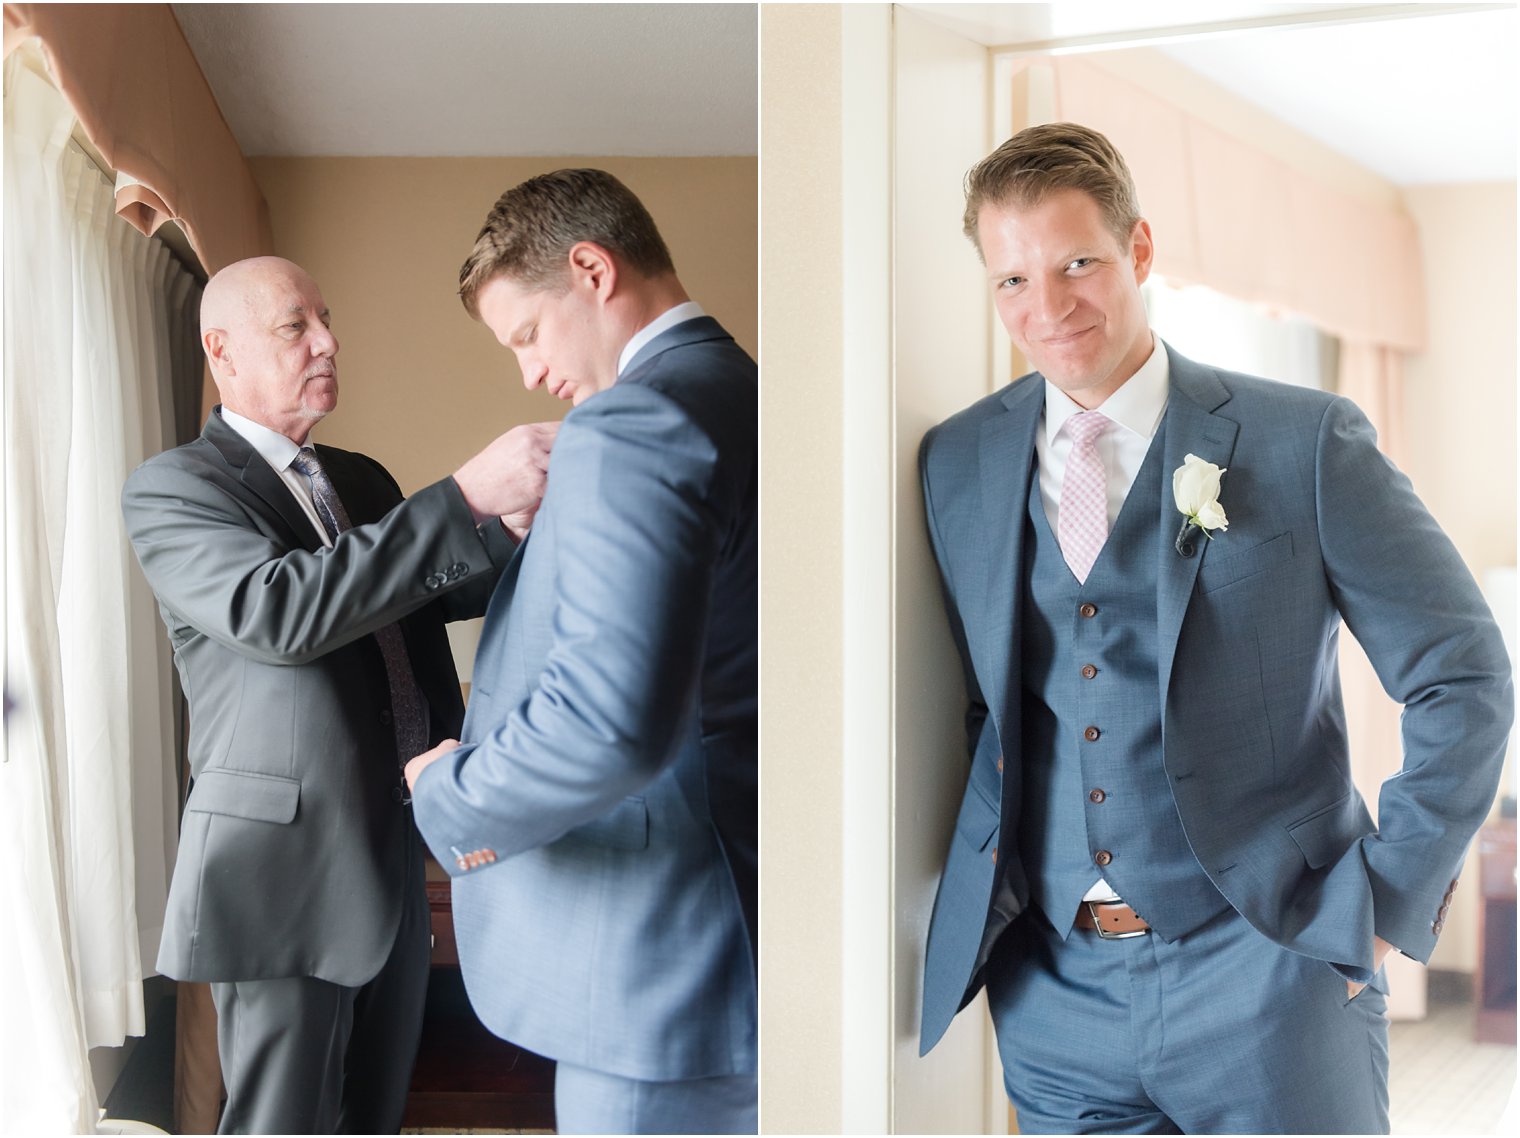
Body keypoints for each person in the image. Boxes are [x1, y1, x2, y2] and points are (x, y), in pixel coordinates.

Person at [916, 123, 1512, 1134]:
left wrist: (1378, 904)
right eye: (1011, 280)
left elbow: (1461, 673)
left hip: (1270, 973)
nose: (1047, 307)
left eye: (1076, 264)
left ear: (1138, 250)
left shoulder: (1302, 440)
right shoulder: (956, 460)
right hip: (1055, 993)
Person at [121, 255, 557, 1134]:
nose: (327, 342)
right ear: (223, 349)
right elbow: (280, 610)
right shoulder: (173, 489)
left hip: (396, 840)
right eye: (296, 326)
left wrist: (506, 528)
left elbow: (417, 593)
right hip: (280, 870)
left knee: (373, 1116)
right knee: (285, 1121)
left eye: (326, 320)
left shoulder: (358, 479)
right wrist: (465, 494)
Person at [404, 169, 757, 1135]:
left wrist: (451, 789)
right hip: (742, 931)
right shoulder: (747, 392)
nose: (527, 373)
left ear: (592, 269)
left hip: (654, 966)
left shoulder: (631, 421)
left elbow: (609, 725)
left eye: (527, 334)